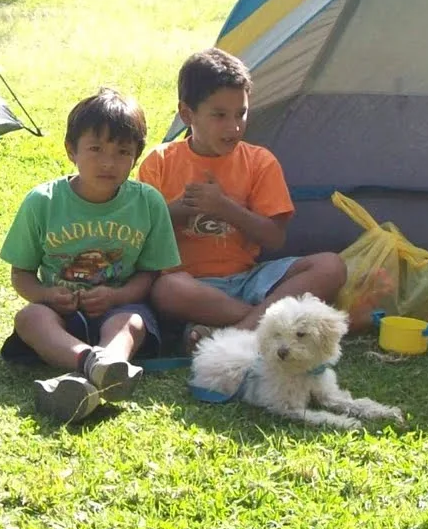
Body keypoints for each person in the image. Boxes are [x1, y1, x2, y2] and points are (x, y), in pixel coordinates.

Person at [139, 48, 347, 350]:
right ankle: (267, 326)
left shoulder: (259, 161)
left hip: (249, 280)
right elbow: (142, 236)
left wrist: (226, 208)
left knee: (331, 266)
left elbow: (274, 238)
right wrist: (182, 210)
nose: (234, 127)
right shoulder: (160, 161)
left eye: (241, 114)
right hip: (193, 286)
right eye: (219, 115)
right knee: (166, 290)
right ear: (187, 114)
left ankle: (233, 334)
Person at [0, 88, 182, 424]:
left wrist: (118, 295)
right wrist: (45, 295)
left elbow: (150, 273)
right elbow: (20, 273)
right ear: (72, 150)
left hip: (119, 307)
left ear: (136, 156)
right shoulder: (42, 202)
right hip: (60, 315)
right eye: (95, 149)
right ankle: (93, 365)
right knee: (29, 319)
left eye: (122, 151)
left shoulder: (148, 203)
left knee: (133, 323)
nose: (108, 162)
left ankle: (106, 367)